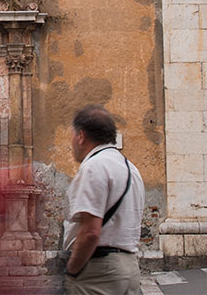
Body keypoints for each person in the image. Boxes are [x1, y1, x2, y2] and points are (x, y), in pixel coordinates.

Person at [63, 105, 144, 295]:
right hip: (129, 266)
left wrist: (73, 270)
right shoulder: (130, 168)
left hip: (99, 271)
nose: (72, 142)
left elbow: (91, 232)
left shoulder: (94, 167)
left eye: (73, 136)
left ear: (81, 136)